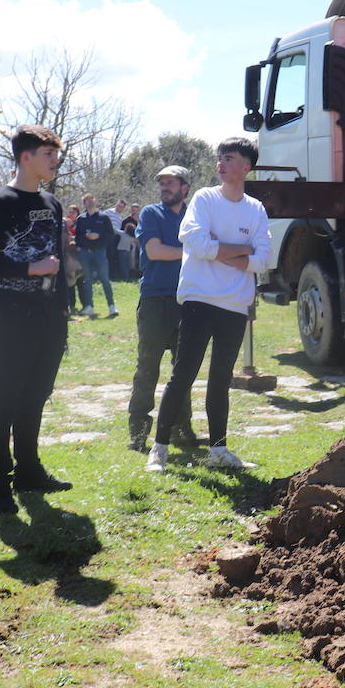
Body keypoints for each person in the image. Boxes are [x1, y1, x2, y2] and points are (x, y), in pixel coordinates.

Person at [146, 139, 270, 472]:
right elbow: (196, 243)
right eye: (219, 159)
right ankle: (158, 449)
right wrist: (239, 252)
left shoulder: (255, 209)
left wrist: (222, 251)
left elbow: (264, 260)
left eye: (228, 159)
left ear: (246, 166)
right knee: (183, 374)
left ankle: (219, 450)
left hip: (235, 305)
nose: (220, 164)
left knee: (220, 379)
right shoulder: (204, 198)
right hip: (199, 299)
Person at [0, 125, 73, 514]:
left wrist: (63, 312)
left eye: (56, 154)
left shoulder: (52, 203)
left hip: (49, 318)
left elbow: (60, 263)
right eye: (48, 154)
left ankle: (29, 471)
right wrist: (32, 268)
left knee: (35, 397)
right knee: (4, 400)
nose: (55, 160)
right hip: (10, 316)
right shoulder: (0, 203)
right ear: (25, 157)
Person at [127, 166, 198, 452]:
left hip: (188, 301)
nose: (165, 187)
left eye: (171, 183)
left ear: (185, 188)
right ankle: (138, 433)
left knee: (183, 371)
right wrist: (196, 252)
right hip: (155, 301)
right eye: (162, 183)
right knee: (148, 368)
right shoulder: (151, 213)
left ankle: (182, 430)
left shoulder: (194, 215)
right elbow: (155, 251)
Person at [75, 193, 118, 318]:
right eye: (86, 201)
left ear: (95, 201)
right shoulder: (81, 219)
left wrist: (98, 236)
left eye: (91, 199)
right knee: (87, 280)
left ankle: (111, 306)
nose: (89, 202)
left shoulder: (104, 217)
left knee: (104, 279)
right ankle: (89, 307)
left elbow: (111, 235)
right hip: (84, 253)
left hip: (100, 252)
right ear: (84, 204)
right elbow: (77, 237)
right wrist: (86, 238)